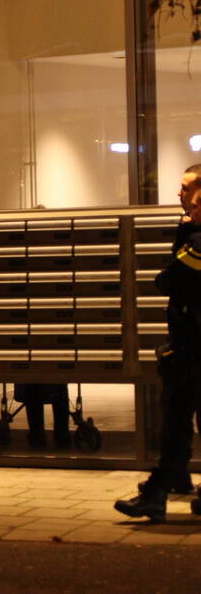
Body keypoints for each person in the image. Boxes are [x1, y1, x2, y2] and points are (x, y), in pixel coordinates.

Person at [115, 166, 201, 521]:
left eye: (186, 187)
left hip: (193, 347)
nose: (178, 193)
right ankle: (170, 483)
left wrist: (187, 232)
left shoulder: (197, 239)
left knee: (176, 421)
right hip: (191, 345)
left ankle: (157, 492)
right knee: (181, 420)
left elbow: (173, 278)